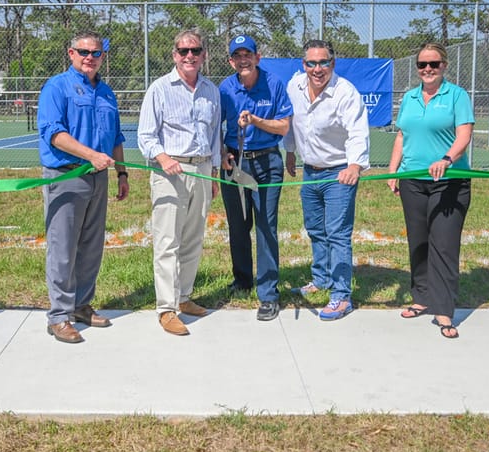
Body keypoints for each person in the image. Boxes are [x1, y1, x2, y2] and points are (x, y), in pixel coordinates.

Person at [37, 33, 130, 344]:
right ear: (71, 53)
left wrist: (122, 172)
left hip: (99, 177)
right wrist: (90, 155)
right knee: (63, 247)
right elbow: (53, 133)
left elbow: (116, 136)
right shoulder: (57, 87)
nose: (90, 57)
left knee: (91, 246)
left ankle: (81, 305)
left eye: (96, 52)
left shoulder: (106, 92)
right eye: (83, 52)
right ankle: (59, 316)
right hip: (66, 176)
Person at [387, 42, 474, 340]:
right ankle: (422, 297)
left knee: (444, 243)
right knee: (419, 241)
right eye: (422, 64)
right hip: (413, 180)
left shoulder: (457, 96)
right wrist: (393, 171)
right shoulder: (410, 98)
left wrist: (447, 159)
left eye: (433, 64)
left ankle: (444, 309)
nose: (427, 69)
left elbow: (465, 134)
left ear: (444, 66)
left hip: (449, 181)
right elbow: (402, 135)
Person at [137, 29, 222, 336]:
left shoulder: (211, 91)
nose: (189, 56)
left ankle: (184, 297)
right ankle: (167, 308)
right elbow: (146, 135)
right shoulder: (159, 89)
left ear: (203, 55)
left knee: (193, 240)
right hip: (169, 172)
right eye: (183, 51)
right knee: (167, 241)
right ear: (174, 55)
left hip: (200, 172)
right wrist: (163, 159)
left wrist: (212, 173)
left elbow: (215, 136)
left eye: (195, 50)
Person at [284, 40, 370, 321]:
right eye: (312, 63)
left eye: (323, 63)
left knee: (337, 234)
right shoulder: (295, 86)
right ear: (303, 65)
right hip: (310, 172)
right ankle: (320, 279)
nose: (317, 69)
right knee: (315, 230)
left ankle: (341, 295)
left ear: (332, 64)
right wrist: (290, 153)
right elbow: (291, 123)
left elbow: (357, 131)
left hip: (338, 173)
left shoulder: (345, 92)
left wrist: (355, 165)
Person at [219, 34, 293, 321]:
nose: (243, 60)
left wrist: (256, 121)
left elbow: (284, 127)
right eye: (237, 56)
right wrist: (223, 153)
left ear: (257, 57)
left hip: (267, 162)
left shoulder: (273, 84)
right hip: (235, 163)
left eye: (247, 54)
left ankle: (269, 293)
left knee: (265, 225)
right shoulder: (225, 88)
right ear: (231, 61)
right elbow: (216, 127)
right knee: (238, 225)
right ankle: (242, 279)